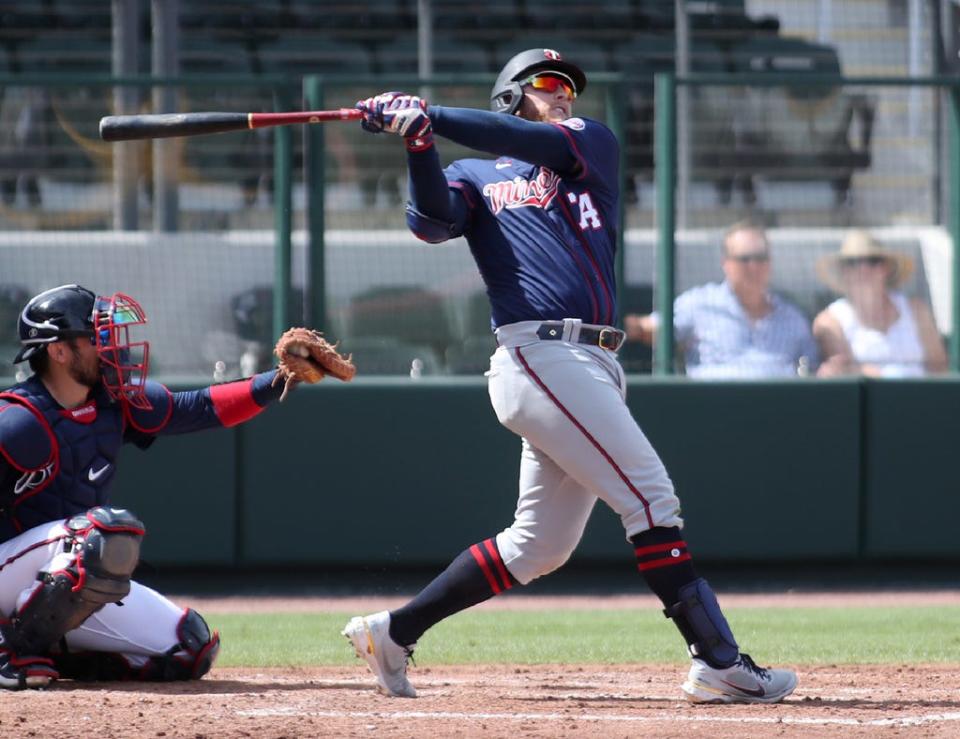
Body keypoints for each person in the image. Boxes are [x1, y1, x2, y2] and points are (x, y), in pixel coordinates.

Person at [342, 49, 797, 704]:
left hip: (594, 362)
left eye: (568, 88)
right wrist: (417, 143)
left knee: (537, 547)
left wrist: (429, 113)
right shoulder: (474, 172)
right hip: (540, 353)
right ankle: (718, 658)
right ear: (509, 95)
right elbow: (431, 223)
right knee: (650, 497)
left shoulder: (587, 145)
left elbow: (521, 137)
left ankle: (394, 631)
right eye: (547, 85)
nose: (563, 96)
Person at [0, 284, 302, 690]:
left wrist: (278, 380)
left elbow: (199, 407)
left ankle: (54, 649)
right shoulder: (19, 422)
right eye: (96, 337)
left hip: (62, 579)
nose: (111, 347)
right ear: (58, 351)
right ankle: (10, 647)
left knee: (188, 647)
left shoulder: (112, 402)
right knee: (99, 532)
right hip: (10, 568)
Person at [623, 221, 818, 378]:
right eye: (745, 259)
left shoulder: (792, 317)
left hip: (778, 415)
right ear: (726, 263)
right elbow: (650, 329)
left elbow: (813, 370)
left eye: (760, 258)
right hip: (714, 412)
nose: (754, 266)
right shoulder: (700, 303)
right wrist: (628, 326)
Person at [813, 230, 947, 377]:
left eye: (873, 260)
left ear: (886, 268)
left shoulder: (917, 311)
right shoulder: (829, 322)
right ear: (844, 271)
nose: (863, 269)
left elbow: (940, 368)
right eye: (853, 262)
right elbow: (847, 371)